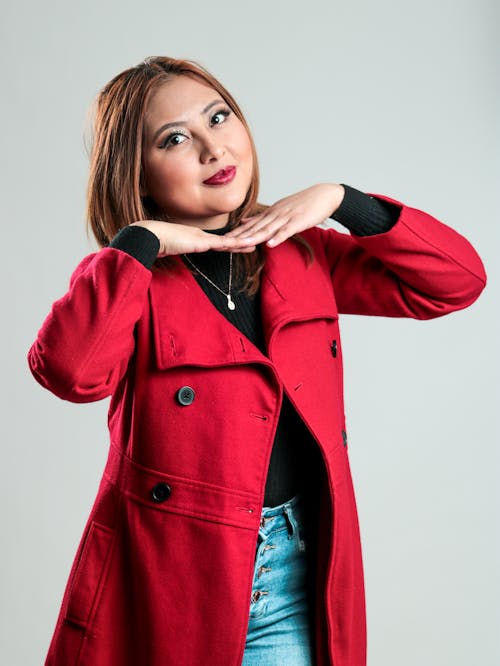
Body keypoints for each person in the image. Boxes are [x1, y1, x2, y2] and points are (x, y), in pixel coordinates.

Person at [28, 56, 486, 666]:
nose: (213, 148)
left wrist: (344, 201)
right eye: (175, 139)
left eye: (219, 117)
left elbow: (455, 282)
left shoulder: (302, 253)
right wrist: (141, 241)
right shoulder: (129, 279)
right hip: (173, 580)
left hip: (296, 570)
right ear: (136, 173)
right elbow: (70, 372)